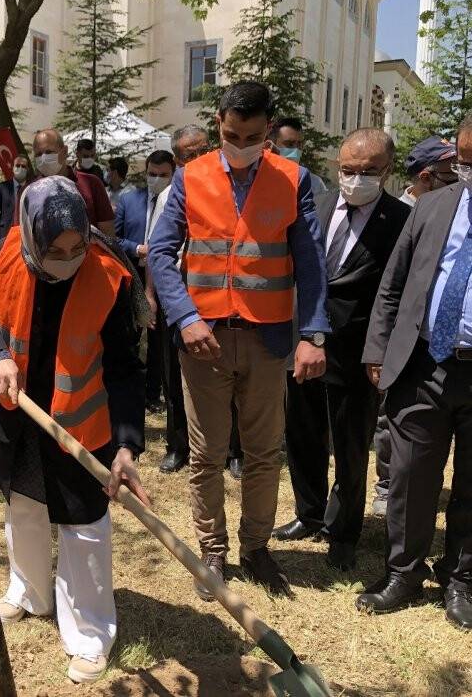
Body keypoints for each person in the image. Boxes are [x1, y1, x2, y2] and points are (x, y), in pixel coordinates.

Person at [0, 175, 148, 683]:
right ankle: (29, 591)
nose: (68, 258)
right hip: (19, 412)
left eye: (77, 245)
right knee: (23, 504)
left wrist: (128, 445)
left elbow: (126, 369)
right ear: (30, 237)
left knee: (84, 525)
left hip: (80, 424)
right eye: (55, 249)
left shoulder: (109, 276)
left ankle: (90, 633)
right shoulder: (7, 255)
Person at [148, 81, 330, 599]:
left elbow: (311, 266)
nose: (240, 143)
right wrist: (185, 317)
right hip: (202, 339)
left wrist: (313, 333)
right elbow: (162, 253)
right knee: (206, 454)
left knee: (263, 451)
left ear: (268, 130)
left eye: (251, 136)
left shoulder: (294, 179)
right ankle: (212, 550)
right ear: (218, 125)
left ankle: (255, 547)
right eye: (230, 134)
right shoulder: (190, 177)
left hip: (268, 340)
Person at [271, 129, 410, 571]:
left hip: (358, 351)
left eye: (368, 172)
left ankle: (344, 529)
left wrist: (383, 351)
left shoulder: (402, 221)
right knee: (303, 432)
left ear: (387, 171)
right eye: (348, 170)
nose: (356, 179)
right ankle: (309, 513)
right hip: (304, 340)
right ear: (337, 165)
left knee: (351, 444)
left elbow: (400, 292)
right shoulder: (318, 203)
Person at [357, 113, 472, 630]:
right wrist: (378, 349)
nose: (468, 172)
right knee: (407, 476)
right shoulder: (431, 207)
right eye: (466, 162)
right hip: (424, 362)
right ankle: (403, 572)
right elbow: (393, 284)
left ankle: (461, 578)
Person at [144, 126, 209, 473]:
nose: (196, 160)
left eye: (201, 151)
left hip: (215, 296)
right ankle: (177, 445)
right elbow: (157, 250)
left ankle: (233, 451)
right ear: (178, 159)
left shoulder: (227, 187)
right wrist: (151, 296)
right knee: (173, 376)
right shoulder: (170, 195)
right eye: (187, 155)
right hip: (176, 295)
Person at [116, 150, 175, 412]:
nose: (157, 179)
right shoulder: (130, 200)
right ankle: (129, 388)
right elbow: (114, 239)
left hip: (163, 277)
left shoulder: (176, 201)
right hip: (133, 274)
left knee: (158, 339)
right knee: (129, 335)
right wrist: (137, 248)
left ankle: (153, 394)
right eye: (152, 174)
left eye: (163, 175)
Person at [32, 129, 115, 236]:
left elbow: (108, 235)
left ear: (65, 151)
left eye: (49, 152)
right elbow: (21, 236)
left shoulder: (93, 184)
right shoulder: (29, 192)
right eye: (38, 154)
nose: (43, 158)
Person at [269, 116, 329, 201]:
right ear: (272, 145)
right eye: (289, 144)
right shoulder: (258, 178)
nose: (296, 149)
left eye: (300, 144)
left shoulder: (314, 183)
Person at [400, 135, 458, 207]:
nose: (460, 177)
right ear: (425, 178)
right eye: (453, 172)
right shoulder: (399, 215)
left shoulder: (452, 206)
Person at [0, 154, 31, 244]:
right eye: (17, 165)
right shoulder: (2, 187)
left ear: (28, 169)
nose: (20, 168)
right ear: (13, 167)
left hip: (24, 236)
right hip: (4, 234)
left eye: (23, 166)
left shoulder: (31, 188)